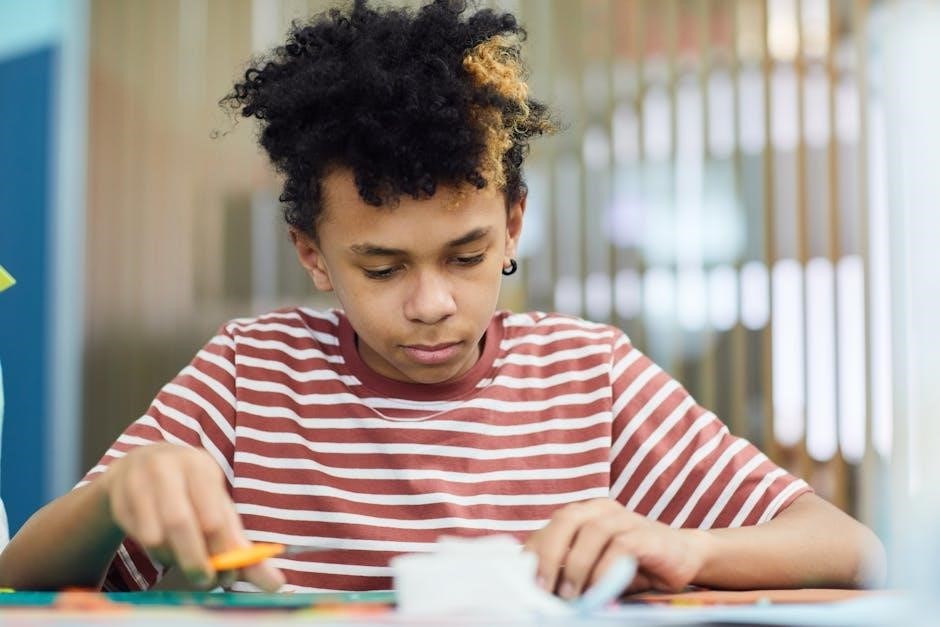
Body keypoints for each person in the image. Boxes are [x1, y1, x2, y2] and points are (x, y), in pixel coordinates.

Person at [0, 0, 883, 596]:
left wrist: (690, 546)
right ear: (312, 253)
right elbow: (17, 577)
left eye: (467, 255)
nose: (432, 303)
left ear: (514, 223)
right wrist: (116, 498)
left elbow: (850, 549)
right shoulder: (247, 376)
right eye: (382, 268)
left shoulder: (590, 376)